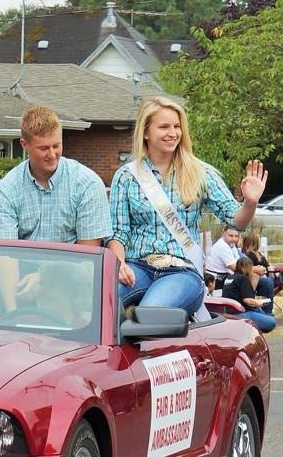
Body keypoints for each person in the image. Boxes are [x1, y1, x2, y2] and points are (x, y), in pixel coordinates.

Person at [108, 96, 267, 316]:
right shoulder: (126, 176)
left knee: (149, 315)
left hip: (181, 270)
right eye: (164, 127)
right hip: (137, 267)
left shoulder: (200, 172)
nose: (172, 133)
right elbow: (118, 233)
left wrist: (250, 202)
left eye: (177, 126)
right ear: (145, 132)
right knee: (98, 309)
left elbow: (235, 219)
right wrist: (119, 265)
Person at [0, 106, 111, 244]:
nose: (52, 155)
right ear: (24, 145)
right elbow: (6, 254)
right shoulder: (6, 190)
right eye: (43, 148)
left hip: (73, 264)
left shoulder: (87, 184)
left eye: (56, 146)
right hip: (23, 264)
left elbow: (89, 255)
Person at [221, 257, 276, 333]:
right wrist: (260, 303)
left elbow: (243, 295)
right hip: (241, 313)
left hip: (228, 312)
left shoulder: (229, 278)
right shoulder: (243, 278)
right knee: (271, 322)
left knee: (262, 314)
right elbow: (248, 301)